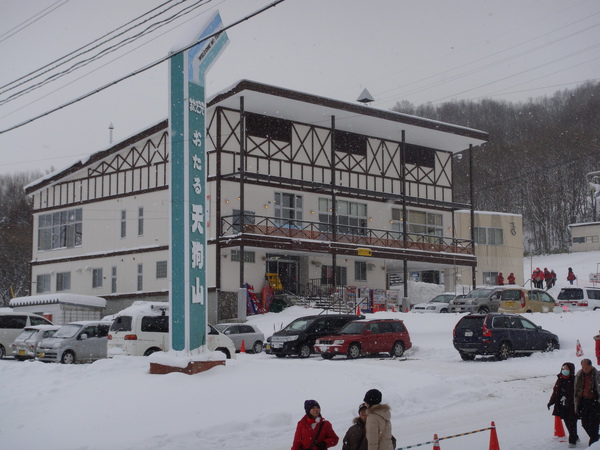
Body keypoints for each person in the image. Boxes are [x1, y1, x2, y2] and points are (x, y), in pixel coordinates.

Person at [548, 362, 579, 448]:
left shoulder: (574, 380)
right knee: (567, 422)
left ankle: (572, 441)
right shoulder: (560, 379)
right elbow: (555, 392)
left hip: (572, 406)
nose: (564, 371)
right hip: (562, 405)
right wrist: (551, 402)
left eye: (567, 369)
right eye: (563, 369)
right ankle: (575, 436)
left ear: (571, 370)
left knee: (572, 422)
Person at [575, 359, 600, 446]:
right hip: (583, 402)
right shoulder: (579, 375)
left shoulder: (597, 375)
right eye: (583, 367)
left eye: (586, 367)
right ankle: (596, 438)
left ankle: (593, 443)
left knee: (594, 424)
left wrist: (595, 396)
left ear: (591, 366)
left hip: (595, 403)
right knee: (584, 423)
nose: (584, 369)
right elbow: (576, 389)